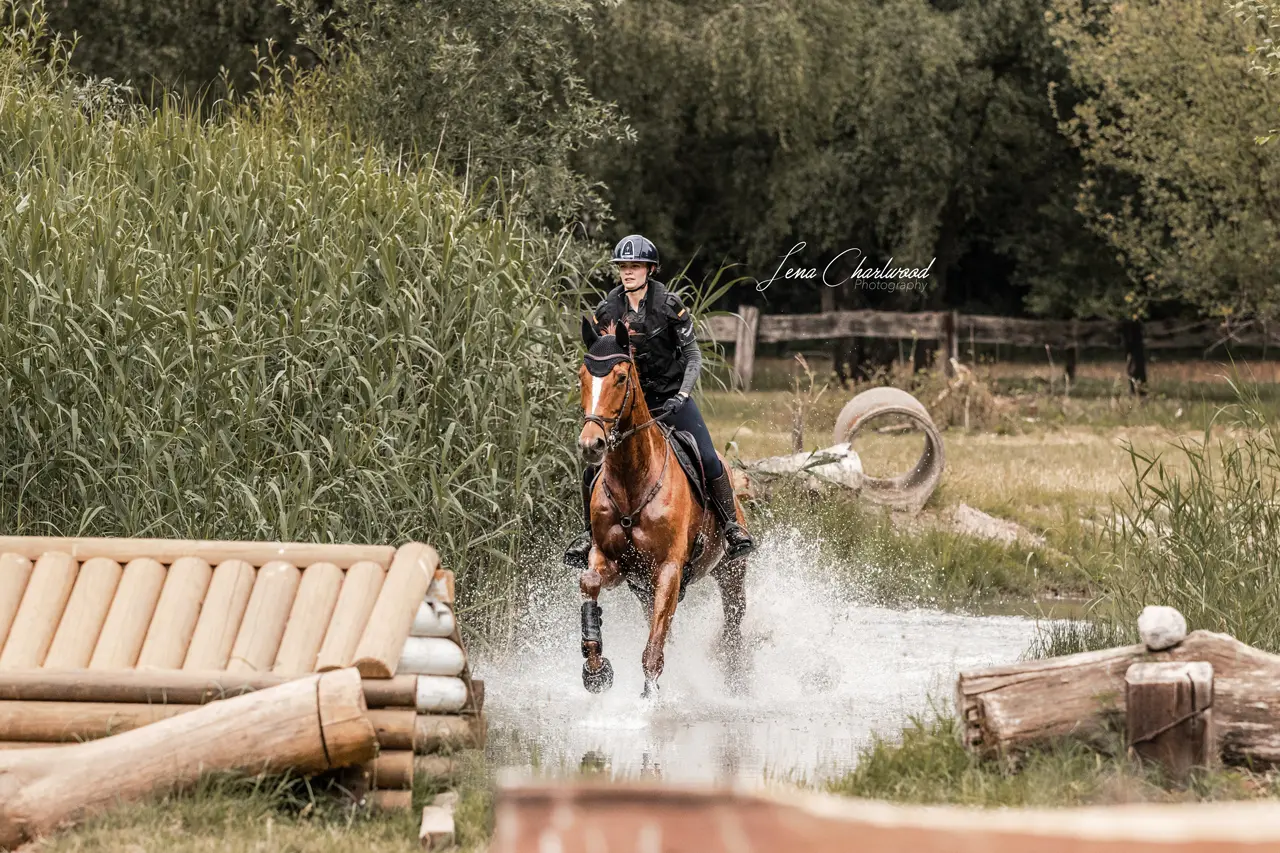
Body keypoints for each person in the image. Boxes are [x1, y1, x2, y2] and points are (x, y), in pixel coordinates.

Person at [564, 234, 755, 568]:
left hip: (670, 400)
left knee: (709, 459)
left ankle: (731, 528)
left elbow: (693, 354)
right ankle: (588, 535)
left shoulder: (668, 305)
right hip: (624, 407)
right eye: (623, 266)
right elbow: (596, 360)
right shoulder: (607, 309)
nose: (628, 272)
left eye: (635, 266)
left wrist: (682, 394)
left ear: (649, 269)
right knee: (592, 468)